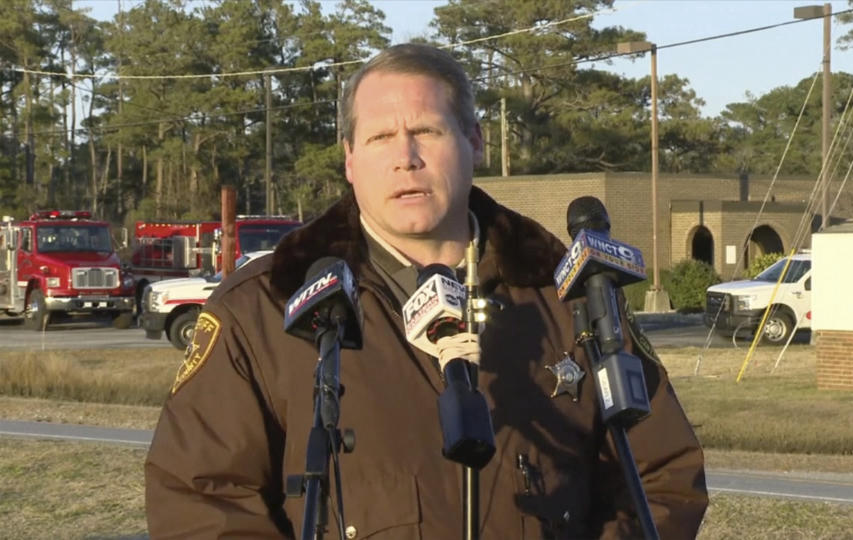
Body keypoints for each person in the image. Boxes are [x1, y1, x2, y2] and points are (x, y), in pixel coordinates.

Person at [145, 43, 708, 539]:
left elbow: (663, 476)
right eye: (381, 136)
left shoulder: (570, 293)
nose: (405, 157)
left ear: (475, 142)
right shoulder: (264, 308)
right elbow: (201, 499)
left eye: (427, 131)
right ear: (349, 158)